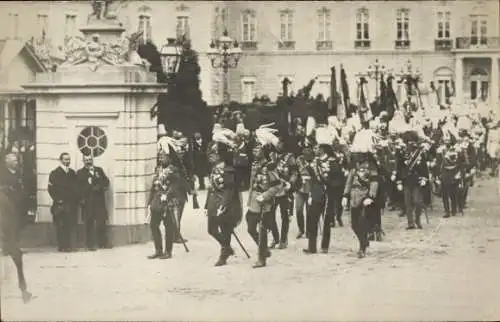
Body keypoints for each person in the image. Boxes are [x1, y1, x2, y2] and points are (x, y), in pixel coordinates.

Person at [205, 126, 243, 266]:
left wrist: (224, 205)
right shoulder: (214, 168)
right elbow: (211, 187)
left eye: (214, 153)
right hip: (214, 202)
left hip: (226, 204)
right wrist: (206, 205)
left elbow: (230, 189)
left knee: (226, 230)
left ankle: (223, 255)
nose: (211, 155)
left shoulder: (229, 169)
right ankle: (227, 248)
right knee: (211, 229)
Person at [246, 124, 282, 268]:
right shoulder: (255, 164)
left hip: (264, 202)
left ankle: (262, 258)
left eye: (258, 148)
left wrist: (266, 196)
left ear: (264, 150)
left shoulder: (270, 166)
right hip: (255, 200)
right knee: (250, 226)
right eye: (254, 148)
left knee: (262, 229)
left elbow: (278, 185)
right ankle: (265, 250)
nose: (255, 150)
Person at [146, 141, 188, 259]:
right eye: (160, 156)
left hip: (169, 201)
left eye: (163, 156)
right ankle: (158, 250)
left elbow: (176, 186)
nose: (161, 158)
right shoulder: (158, 169)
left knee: (168, 226)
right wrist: (149, 202)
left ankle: (168, 251)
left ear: (169, 158)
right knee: (153, 225)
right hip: (157, 201)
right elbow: (154, 187)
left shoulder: (174, 170)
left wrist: (168, 195)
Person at [0, 153, 32, 303]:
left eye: (16, 160)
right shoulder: (3, 175)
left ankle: (23, 287)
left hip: (13, 214)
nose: (15, 162)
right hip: (7, 214)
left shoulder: (19, 175)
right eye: (12, 160)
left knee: (15, 251)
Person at [342, 152, 379, 258]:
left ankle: (362, 248)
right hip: (354, 197)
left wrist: (370, 196)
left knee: (362, 223)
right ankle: (364, 241)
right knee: (354, 225)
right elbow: (349, 182)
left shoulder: (371, 166)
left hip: (365, 197)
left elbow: (374, 182)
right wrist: (345, 195)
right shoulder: (354, 166)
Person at [396, 131, 430, 229]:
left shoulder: (420, 154)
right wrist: (398, 181)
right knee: (408, 203)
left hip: (417, 181)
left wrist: (424, 178)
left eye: (412, 141)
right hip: (406, 180)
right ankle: (410, 223)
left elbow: (424, 168)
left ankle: (417, 219)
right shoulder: (402, 153)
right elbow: (399, 168)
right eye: (408, 141)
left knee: (417, 201)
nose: (410, 143)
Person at [77, 154, 110, 250]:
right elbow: (78, 188)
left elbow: (106, 181)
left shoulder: (99, 170)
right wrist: (83, 197)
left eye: (90, 159)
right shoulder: (80, 173)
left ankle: (102, 243)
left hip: (99, 202)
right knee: (89, 224)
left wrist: (99, 186)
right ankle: (90, 245)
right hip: (88, 203)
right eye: (86, 160)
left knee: (101, 223)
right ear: (83, 161)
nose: (88, 161)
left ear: (92, 160)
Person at [48, 152, 79, 252]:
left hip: (71, 203)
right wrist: (58, 199)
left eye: (69, 159)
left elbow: (76, 188)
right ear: (60, 160)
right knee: (60, 225)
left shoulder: (72, 173)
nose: (68, 161)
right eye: (65, 159)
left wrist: (75, 200)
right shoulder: (54, 173)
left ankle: (69, 245)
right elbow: (50, 188)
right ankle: (62, 246)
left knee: (69, 224)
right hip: (60, 204)